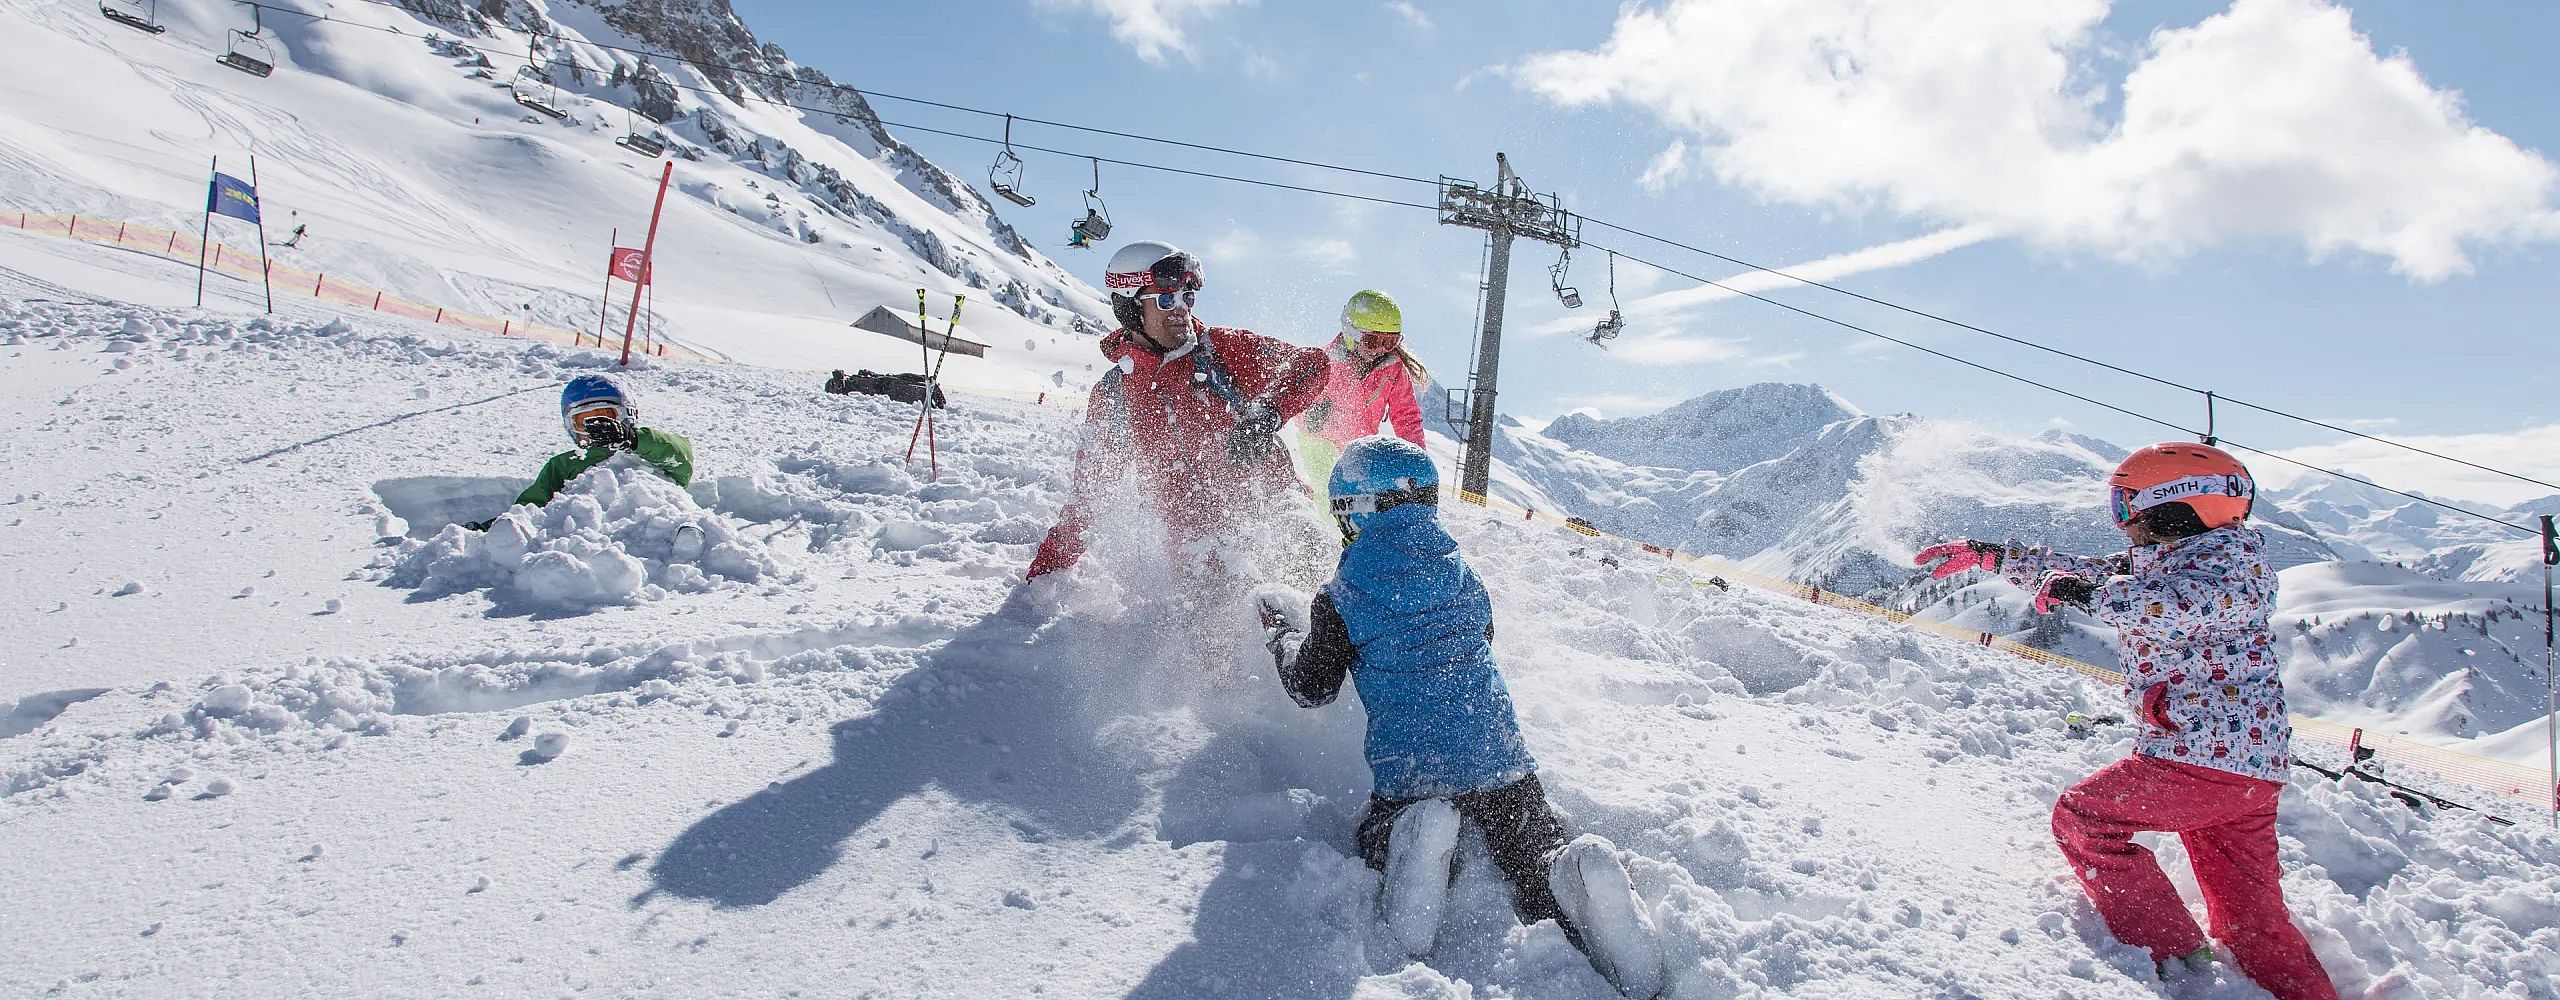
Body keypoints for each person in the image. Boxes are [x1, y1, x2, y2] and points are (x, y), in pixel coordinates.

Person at [1914, 442, 2337, 1000]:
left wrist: (2077, 592)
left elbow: (2158, 609)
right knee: (2248, 917)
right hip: (2240, 767)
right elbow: (2081, 569)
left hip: (2200, 759)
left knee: (2084, 818)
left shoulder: (2230, 575)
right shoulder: (2185, 557)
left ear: (2176, 506)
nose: (2121, 524)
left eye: (2125, 507)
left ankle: (2172, 956)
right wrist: (1989, 555)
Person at [1255, 436, 1665, 996]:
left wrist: (1283, 636)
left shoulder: (1344, 594)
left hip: (1413, 768)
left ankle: (1414, 848)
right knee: (1530, 848)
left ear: (1358, 511)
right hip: (1500, 759)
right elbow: (1482, 637)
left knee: (1378, 837)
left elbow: (1311, 688)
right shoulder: (1461, 574)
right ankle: (1570, 875)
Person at [1024, 240, 1330, 580]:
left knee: (1312, 604)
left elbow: (1311, 365)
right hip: (1200, 552)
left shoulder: (1221, 351)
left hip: (1275, 514)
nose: (1181, 309)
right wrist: (1041, 577)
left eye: (1188, 297)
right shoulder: (1116, 396)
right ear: (1129, 307)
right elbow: (1089, 500)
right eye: (1167, 299)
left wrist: (1268, 414)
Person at [467, 375, 694, 530]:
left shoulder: (648, 451)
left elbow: (682, 458)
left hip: (653, 533)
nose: (597, 428)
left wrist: (632, 439)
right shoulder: (563, 465)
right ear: (571, 426)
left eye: (606, 416)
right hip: (585, 543)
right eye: (584, 421)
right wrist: (488, 531)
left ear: (627, 415)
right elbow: (529, 510)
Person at [1296, 289, 1428, 502]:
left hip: (1358, 449)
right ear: (1351, 333)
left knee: (1363, 502)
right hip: (1319, 440)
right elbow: (1297, 401)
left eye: (1389, 343)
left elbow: (1407, 418)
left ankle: (1357, 534)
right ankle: (1328, 530)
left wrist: (1417, 461)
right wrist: (1310, 416)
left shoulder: (1392, 369)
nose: (1379, 350)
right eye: (1372, 341)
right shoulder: (1325, 361)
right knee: (1331, 495)